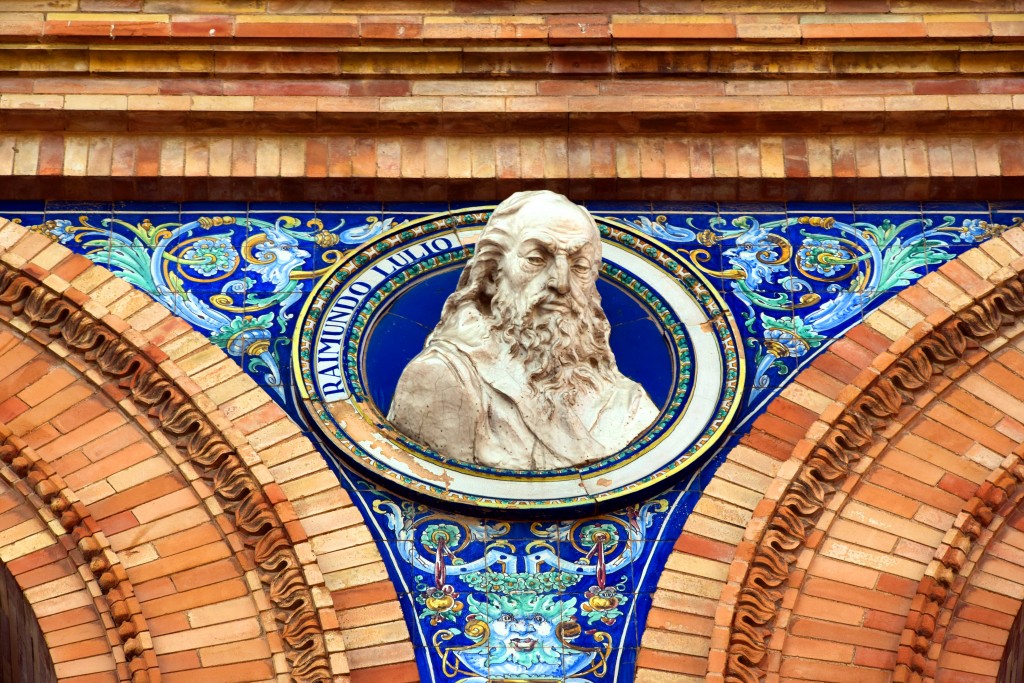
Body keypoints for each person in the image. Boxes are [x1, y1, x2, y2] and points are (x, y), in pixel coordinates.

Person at [388, 191, 658, 470]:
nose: (561, 283)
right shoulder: (444, 378)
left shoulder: (629, 402)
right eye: (536, 259)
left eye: (579, 266)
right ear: (492, 275)